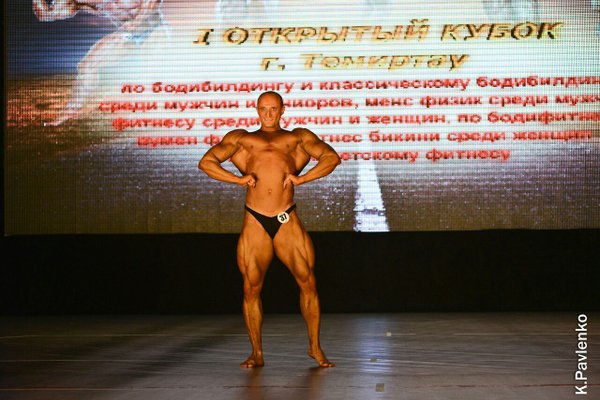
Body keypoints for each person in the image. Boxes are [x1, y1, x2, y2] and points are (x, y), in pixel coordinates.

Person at [198, 91, 340, 368]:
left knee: (308, 282)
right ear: (256, 110)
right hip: (255, 220)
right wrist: (238, 180)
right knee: (251, 288)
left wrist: (302, 179)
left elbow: (331, 158)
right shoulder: (241, 139)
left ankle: (315, 347)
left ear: (282, 110)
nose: (268, 114)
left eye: (273, 108)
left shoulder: (297, 138)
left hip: (286, 218)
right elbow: (206, 162)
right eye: (263, 109)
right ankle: (257, 353)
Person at [32, 0, 165, 126]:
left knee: (150, 73)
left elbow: (152, 3)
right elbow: (46, 15)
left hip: (153, 29)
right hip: (128, 35)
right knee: (88, 66)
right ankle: (70, 112)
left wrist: (137, 22)